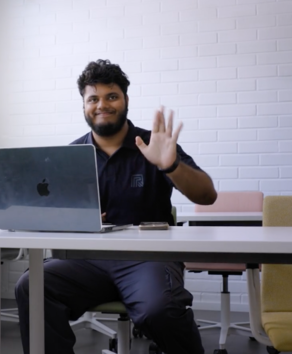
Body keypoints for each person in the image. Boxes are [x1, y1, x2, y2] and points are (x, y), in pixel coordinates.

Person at [16, 59, 217, 354]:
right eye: (93, 98)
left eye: (111, 96)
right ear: (84, 105)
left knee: (158, 310)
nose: (102, 105)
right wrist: (72, 220)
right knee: (31, 286)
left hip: (148, 259)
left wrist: (171, 165)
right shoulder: (68, 156)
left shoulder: (153, 144)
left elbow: (207, 195)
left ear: (125, 100)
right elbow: (54, 216)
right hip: (86, 262)